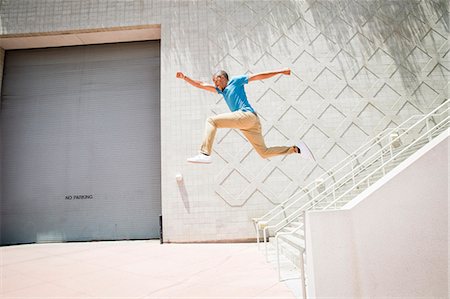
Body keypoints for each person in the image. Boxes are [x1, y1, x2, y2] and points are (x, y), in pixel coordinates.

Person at [176, 69, 315, 164]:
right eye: (213, 82)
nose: (215, 84)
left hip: (246, 115)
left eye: (216, 80)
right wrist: (185, 78)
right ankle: (296, 149)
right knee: (263, 153)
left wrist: (280, 72)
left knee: (212, 121)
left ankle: (204, 154)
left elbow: (258, 76)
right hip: (250, 125)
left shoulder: (235, 81)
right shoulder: (221, 91)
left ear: (223, 78)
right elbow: (201, 85)